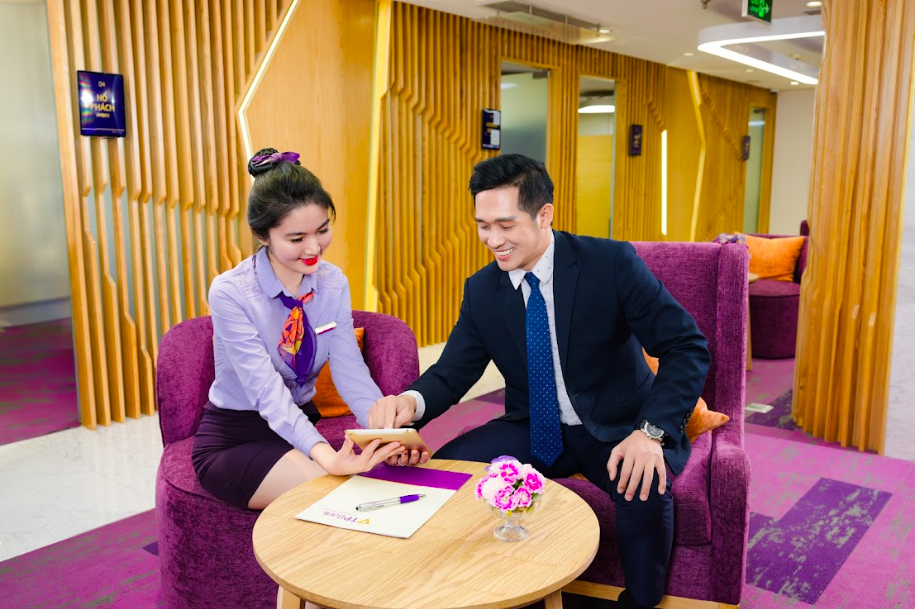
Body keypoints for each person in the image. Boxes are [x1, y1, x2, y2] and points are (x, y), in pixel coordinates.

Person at [368, 154, 710, 609]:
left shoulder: (610, 263)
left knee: (644, 487)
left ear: (544, 214)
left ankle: (641, 603)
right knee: (445, 473)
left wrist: (650, 434)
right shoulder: (482, 289)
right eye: (483, 225)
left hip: (617, 425)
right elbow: (452, 372)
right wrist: (410, 403)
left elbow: (686, 346)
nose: (493, 240)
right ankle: (471, 592)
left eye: (505, 225)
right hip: (534, 425)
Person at [193, 148, 403, 513]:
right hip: (238, 436)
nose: (314, 248)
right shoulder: (230, 292)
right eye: (296, 238)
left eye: (322, 230)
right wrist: (326, 455)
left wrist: (383, 435)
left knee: (376, 489)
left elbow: (349, 368)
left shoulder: (333, 282)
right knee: (344, 500)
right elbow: (266, 391)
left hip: (301, 426)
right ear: (263, 236)